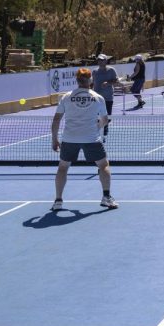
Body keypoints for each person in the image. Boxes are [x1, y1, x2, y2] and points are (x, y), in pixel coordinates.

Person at [51, 68, 117, 211]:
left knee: (63, 167)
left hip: (69, 138)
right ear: (90, 80)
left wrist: (54, 139)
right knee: (103, 165)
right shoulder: (98, 97)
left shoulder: (66, 97)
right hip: (91, 138)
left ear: (77, 80)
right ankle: (106, 197)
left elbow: (56, 120)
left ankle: (58, 201)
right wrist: (97, 127)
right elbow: (105, 120)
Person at [92, 54, 121, 140]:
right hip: (97, 98)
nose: (100, 62)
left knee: (107, 116)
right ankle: (99, 131)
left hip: (108, 97)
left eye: (102, 60)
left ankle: (105, 127)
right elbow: (92, 83)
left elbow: (116, 81)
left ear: (106, 61)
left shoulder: (111, 70)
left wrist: (108, 83)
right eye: (99, 60)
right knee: (96, 116)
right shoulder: (94, 71)